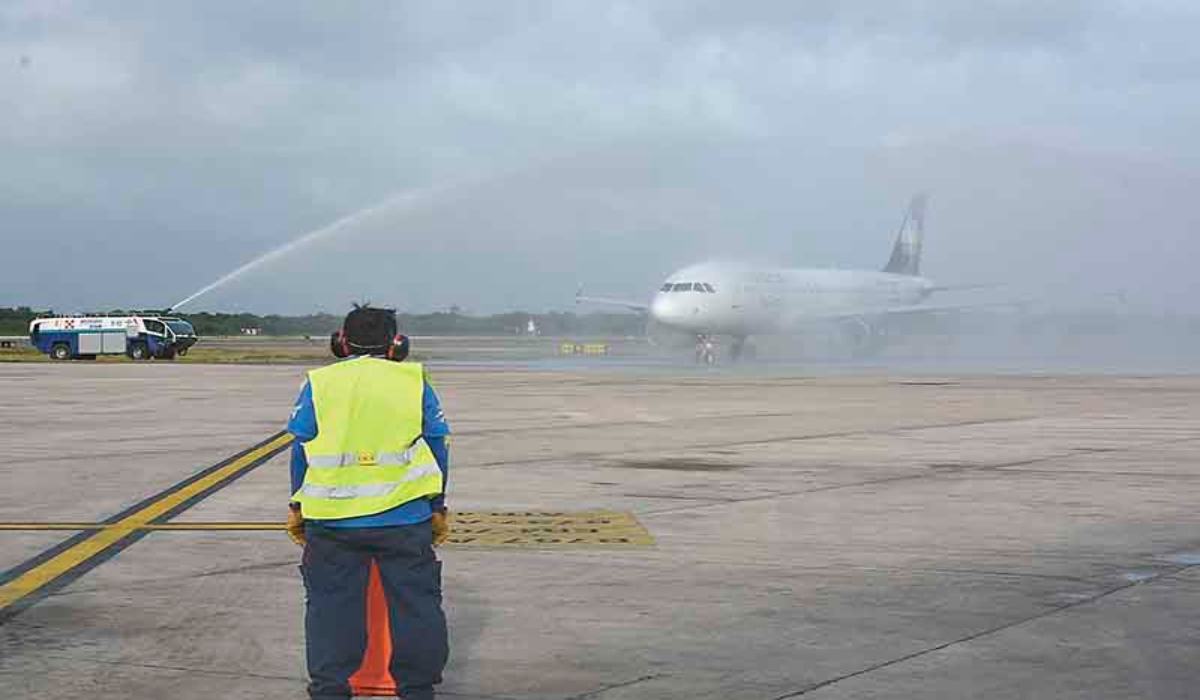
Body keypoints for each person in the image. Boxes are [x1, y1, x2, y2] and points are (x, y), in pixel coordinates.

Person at [286, 303, 451, 700]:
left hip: (332, 520)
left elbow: (301, 448)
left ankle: (329, 690)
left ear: (340, 343)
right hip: (405, 517)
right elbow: (437, 445)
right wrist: (437, 504)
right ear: (397, 344)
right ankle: (417, 690)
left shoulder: (320, 383)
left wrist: (297, 507)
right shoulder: (414, 380)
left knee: (330, 610)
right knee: (417, 607)